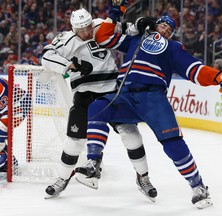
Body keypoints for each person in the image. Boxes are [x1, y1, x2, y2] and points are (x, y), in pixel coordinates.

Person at [76, 1, 222, 209]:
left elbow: (194, 70)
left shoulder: (173, 48)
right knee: (97, 108)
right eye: (163, 25)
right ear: (155, 25)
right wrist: (116, 12)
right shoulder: (137, 38)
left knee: (173, 142)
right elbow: (103, 37)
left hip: (153, 98)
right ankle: (93, 162)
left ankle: (198, 186)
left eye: (170, 30)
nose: (166, 30)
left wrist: (218, 76)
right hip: (125, 94)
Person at [41, 8, 157, 201]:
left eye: (88, 27)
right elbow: (46, 56)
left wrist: (140, 23)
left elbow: (125, 28)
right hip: (85, 94)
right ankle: (61, 179)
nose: (87, 32)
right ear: (73, 28)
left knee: (131, 134)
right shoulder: (67, 39)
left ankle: (143, 178)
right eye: (82, 30)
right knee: (74, 141)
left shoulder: (98, 26)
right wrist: (72, 65)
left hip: (112, 90)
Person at [0, 77, 31, 173]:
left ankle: (8, 160)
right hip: (6, 107)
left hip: (19, 104)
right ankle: (8, 160)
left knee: (2, 129)